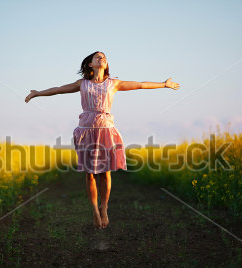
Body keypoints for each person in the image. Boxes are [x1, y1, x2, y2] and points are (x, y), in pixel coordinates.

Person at [25, 51, 179, 230]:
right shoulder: (81, 84)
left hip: (106, 131)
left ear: (106, 65)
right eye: (97, 57)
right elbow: (59, 89)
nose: (101, 58)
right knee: (90, 174)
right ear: (90, 64)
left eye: (104, 57)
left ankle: (104, 207)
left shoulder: (113, 83)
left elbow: (141, 85)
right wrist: (37, 93)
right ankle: (94, 210)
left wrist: (164, 84)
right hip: (86, 131)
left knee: (105, 172)